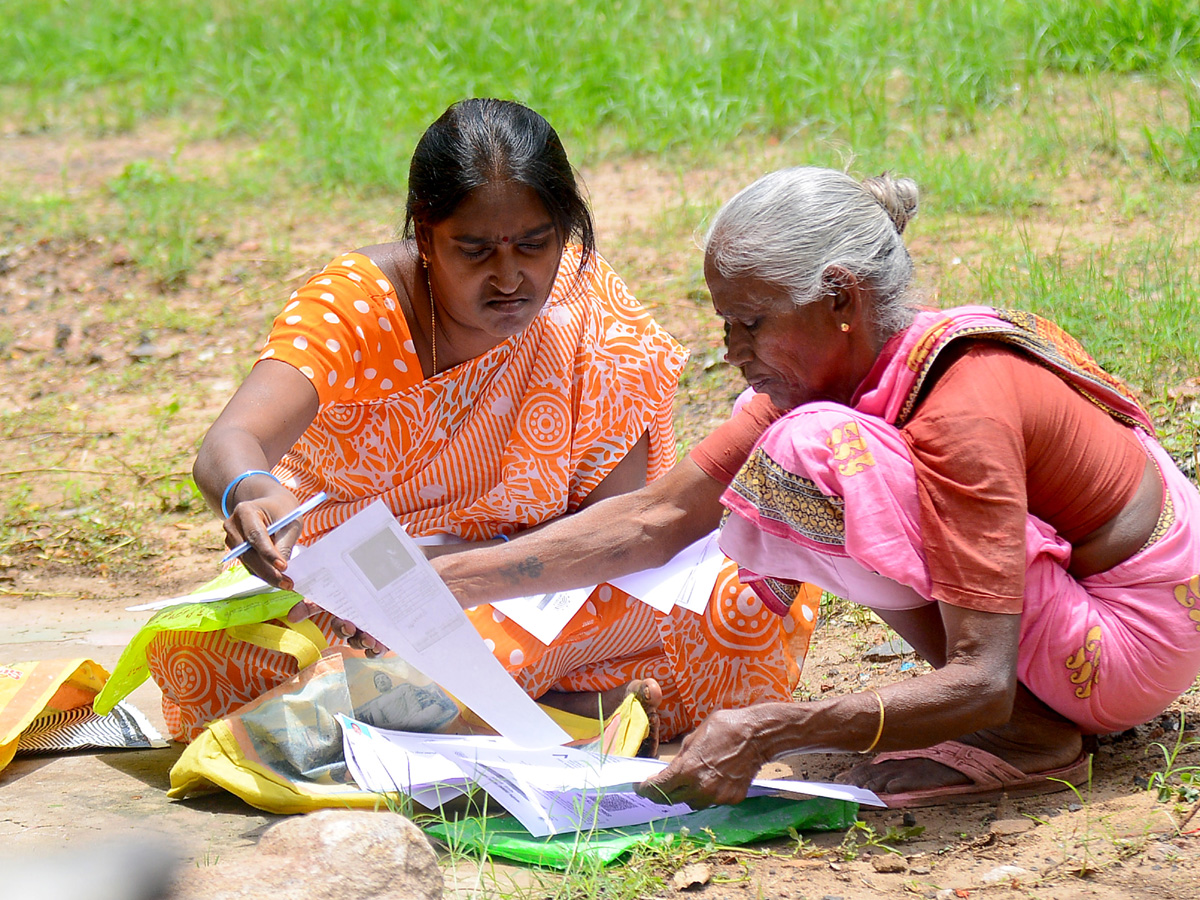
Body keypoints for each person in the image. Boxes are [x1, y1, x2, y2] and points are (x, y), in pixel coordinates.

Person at [431, 166, 1200, 808]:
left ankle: (1033, 735)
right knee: (795, 441)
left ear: (840, 299)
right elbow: (657, 518)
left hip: (1131, 637)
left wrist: (775, 727)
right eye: (725, 324)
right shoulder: (835, 369)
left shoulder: (960, 406)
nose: (733, 351)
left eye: (751, 323)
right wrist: (445, 582)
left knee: (808, 456)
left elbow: (982, 677)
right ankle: (1025, 718)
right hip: (1086, 612)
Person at [150, 99, 817, 744]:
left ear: (568, 229)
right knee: (285, 659)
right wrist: (249, 490)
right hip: (357, 600)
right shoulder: (357, 304)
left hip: (530, 585)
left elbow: (615, 533)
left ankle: (493, 714)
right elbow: (231, 442)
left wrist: (459, 566)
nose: (508, 278)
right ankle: (580, 714)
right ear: (424, 233)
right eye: (475, 250)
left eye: (533, 245)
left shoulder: (591, 320)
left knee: (753, 598)